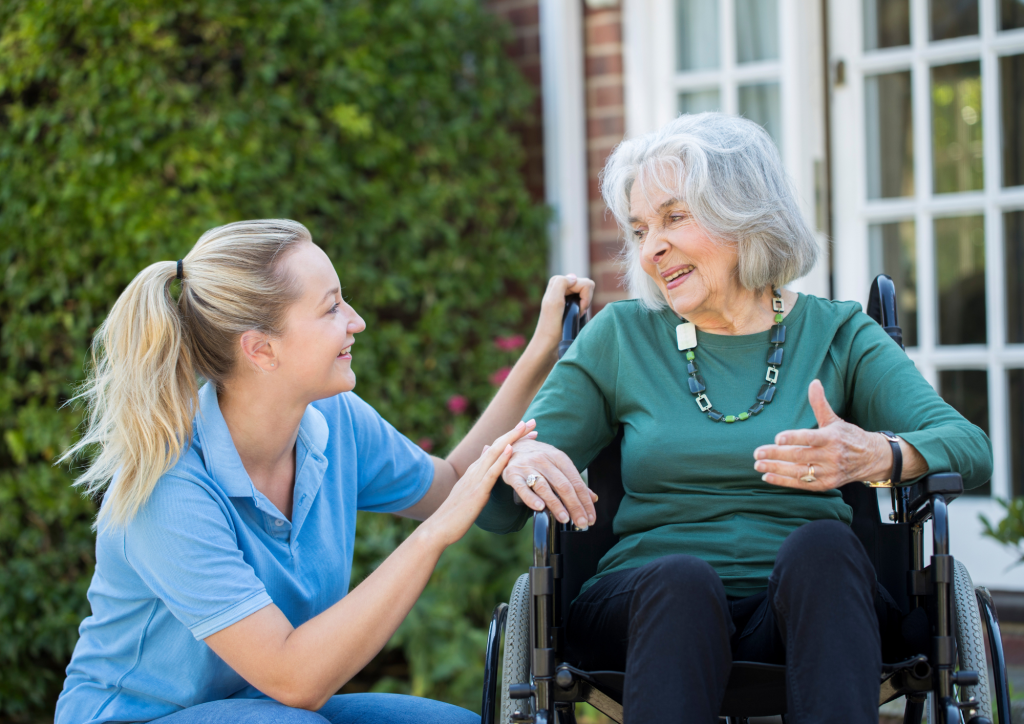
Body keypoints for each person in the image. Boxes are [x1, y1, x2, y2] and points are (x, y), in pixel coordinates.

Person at [476, 113, 993, 724]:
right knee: (682, 582)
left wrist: (880, 454)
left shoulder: (837, 332)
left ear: (744, 214)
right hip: (647, 609)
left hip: (807, 611)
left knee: (826, 548)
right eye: (640, 229)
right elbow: (496, 511)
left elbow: (969, 447)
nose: (650, 249)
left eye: (674, 217)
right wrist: (521, 461)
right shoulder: (621, 337)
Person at [54, 219, 595, 724]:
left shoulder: (333, 421)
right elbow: (296, 680)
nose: (356, 321)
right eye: (332, 307)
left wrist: (543, 349)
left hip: (270, 708)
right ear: (262, 350)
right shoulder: (168, 488)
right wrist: (433, 536)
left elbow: (450, 484)